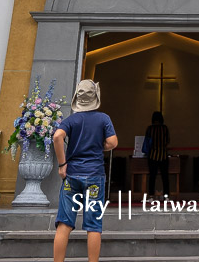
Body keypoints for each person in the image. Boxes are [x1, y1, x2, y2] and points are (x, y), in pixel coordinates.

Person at [53, 79, 117, 262]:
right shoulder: (103, 119)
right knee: (93, 225)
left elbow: (57, 136)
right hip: (95, 176)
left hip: (72, 175)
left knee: (64, 224)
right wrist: (98, 146)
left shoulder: (71, 120)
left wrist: (62, 164)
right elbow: (113, 142)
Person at [143, 110, 171, 197]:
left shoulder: (150, 129)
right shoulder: (164, 128)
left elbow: (147, 142)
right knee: (165, 176)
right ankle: (166, 195)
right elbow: (167, 141)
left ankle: (151, 195)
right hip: (163, 154)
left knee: (152, 176)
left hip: (152, 155)